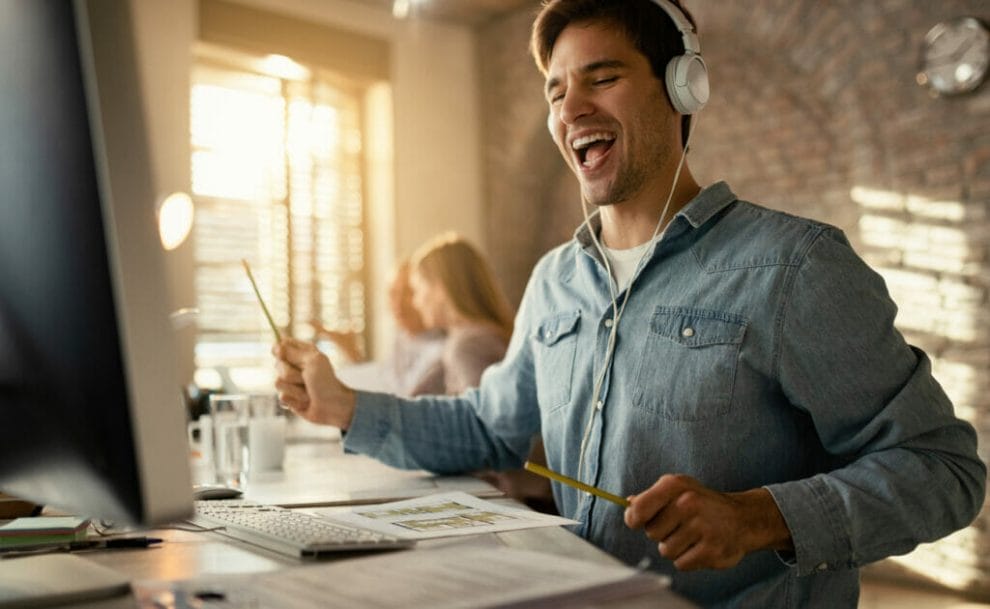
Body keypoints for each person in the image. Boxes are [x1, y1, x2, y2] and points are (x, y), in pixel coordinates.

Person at [272, 1, 986, 606]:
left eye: (602, 78)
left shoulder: (795, 266)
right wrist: (343, 406)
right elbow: (490, 428)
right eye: (554, 92)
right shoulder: (555, 280)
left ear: (682, 89)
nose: (570, 108)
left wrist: (760, 516)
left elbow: (944, 470)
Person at [310, 260, 445, 397]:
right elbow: (383, 386)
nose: (398, 303)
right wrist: (351, 352)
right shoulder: (402, 337)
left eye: (408, 292)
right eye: (393, 293)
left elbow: (400, 400)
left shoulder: (442, 348)